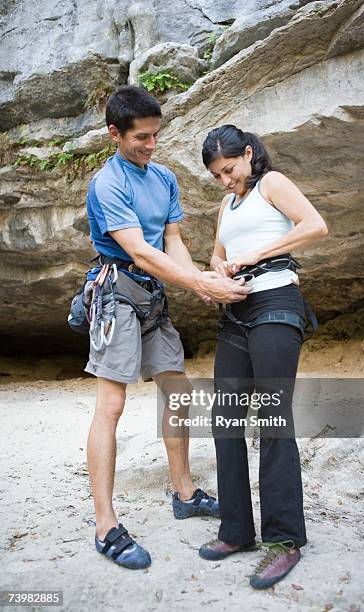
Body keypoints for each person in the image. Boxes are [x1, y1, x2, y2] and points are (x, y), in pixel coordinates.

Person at [84, 89, 249, 570]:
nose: (152, 144)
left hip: (153, 297)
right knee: (111, 405)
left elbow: (171, 240)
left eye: (156, 134)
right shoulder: (107, 183)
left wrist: (198, 283)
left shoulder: (163, 177)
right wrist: (198, 280)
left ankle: (184, 492)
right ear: (115, 134)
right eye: (141, 137)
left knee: (178, 392)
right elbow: (137, 251)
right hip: (116, 293)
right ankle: (105, 525)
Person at [198, 125, 328, 589]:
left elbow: (315, 226)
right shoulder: (224, 206)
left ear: (248, 154)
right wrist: (219, 275)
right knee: (225, 422)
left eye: (229, 169)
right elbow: (216, 256)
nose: (225, 181)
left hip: (277, 303)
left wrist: (256, 254)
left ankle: (283, 540)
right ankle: (237, 532)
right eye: (216, 175)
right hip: (237, 313)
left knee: (273, 421)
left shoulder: (271, 184)